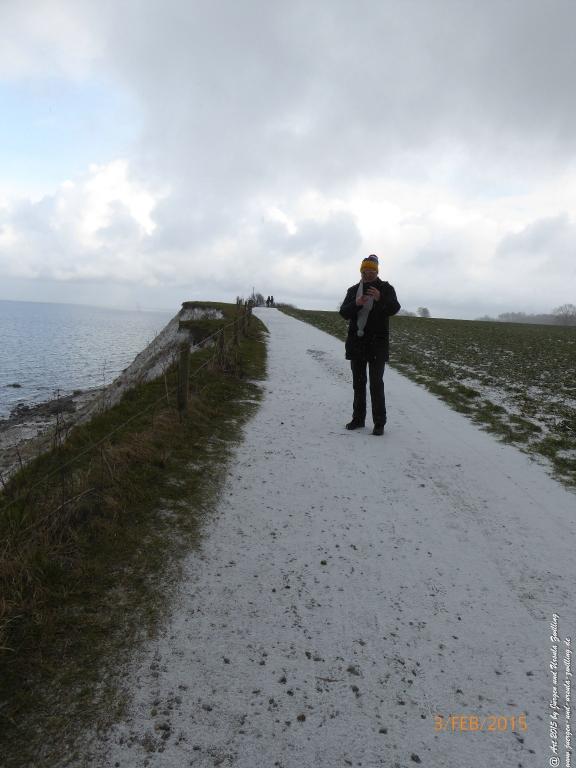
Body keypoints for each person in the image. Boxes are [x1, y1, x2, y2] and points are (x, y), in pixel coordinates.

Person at [339, 254, 400, 435]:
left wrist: (380, 298)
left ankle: (379, 423)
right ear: (361, 270)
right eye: (366, 270)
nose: (369, 273)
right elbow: (344, 313)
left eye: (372, 270)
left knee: (376, 384)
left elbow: (394, 308)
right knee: (358, 384)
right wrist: (356, 303)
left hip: (377, 345)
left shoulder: (386, 288)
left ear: (377, 271)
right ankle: (358, 419)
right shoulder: (353, 290)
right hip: (357, 343)